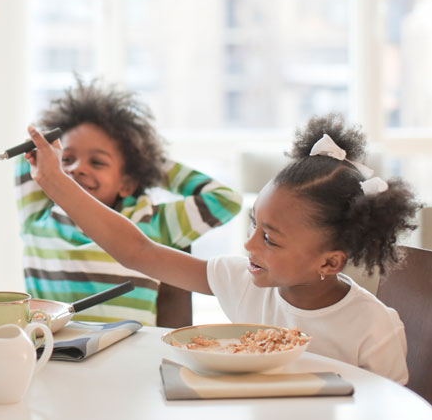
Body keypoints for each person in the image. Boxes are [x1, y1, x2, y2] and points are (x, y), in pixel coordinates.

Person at [25, 113, 422, 383]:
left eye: (269, 238)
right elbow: (139, 252)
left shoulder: (374, 329)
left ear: (331, 261)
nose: (249, 245)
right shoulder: (243, 281)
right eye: (254, 225)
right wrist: (56, 182)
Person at [16, 78, 242, 326]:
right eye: (67, 159)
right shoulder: (37, 216)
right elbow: (28, 158)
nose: (78, 169)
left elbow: (225, 199)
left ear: (127, 182)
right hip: (55, 355)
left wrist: (148, 162)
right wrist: (54, 168)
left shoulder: (153, 221)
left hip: (129, 357)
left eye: (97, 162)